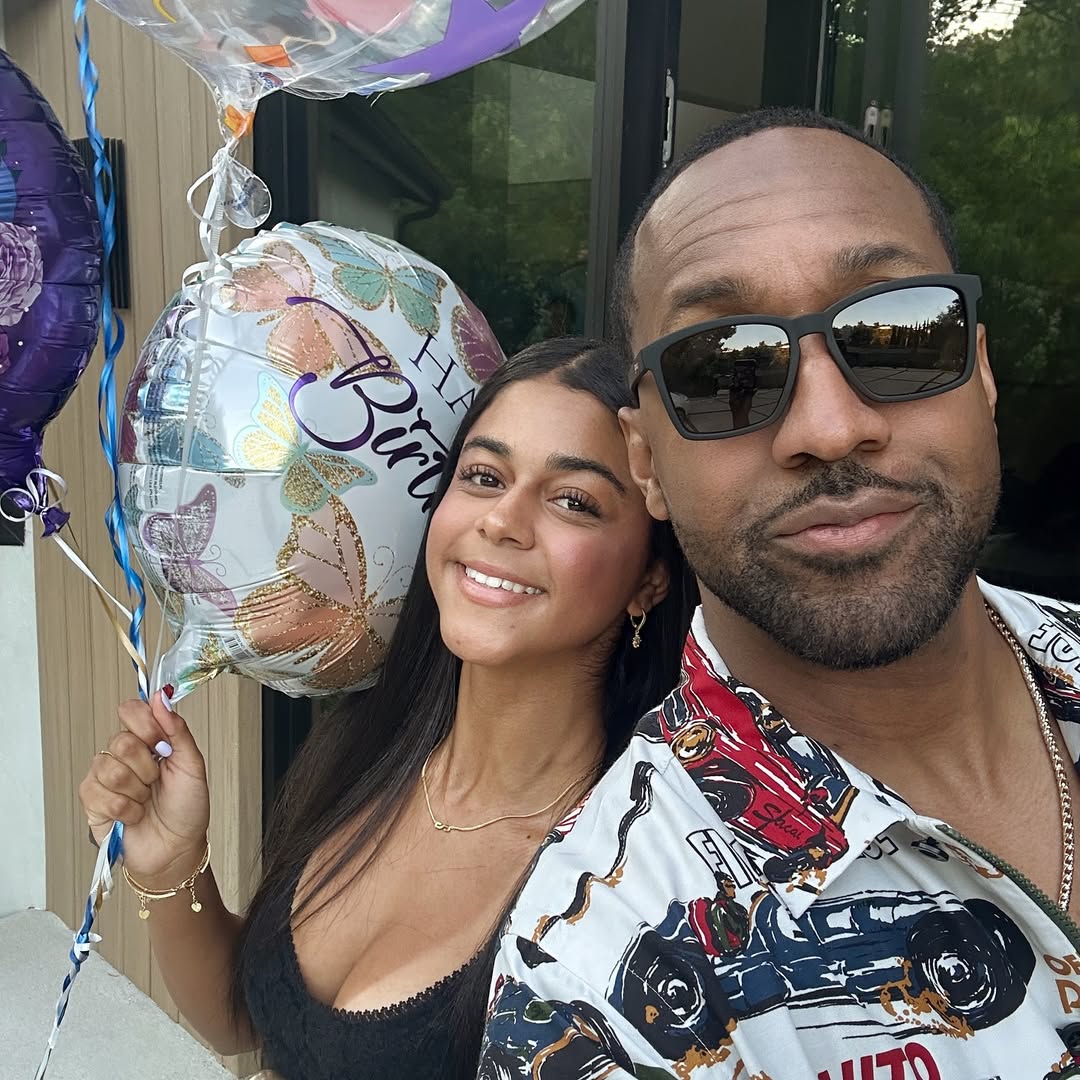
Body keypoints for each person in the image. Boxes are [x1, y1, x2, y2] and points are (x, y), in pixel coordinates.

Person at [478, 108, 1080, 1079]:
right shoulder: (601, 984)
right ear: (646, 463)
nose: (832, 427)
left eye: (899, 331)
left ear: (980, 368)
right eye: (725, 369)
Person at [78, 338, 697, 1080]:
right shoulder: (366, 748)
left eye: (573, 500)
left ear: (650, 580)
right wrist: (173, 862)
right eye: (483, 475)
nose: (502, 519)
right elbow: (245, 1020)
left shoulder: (628, 879)